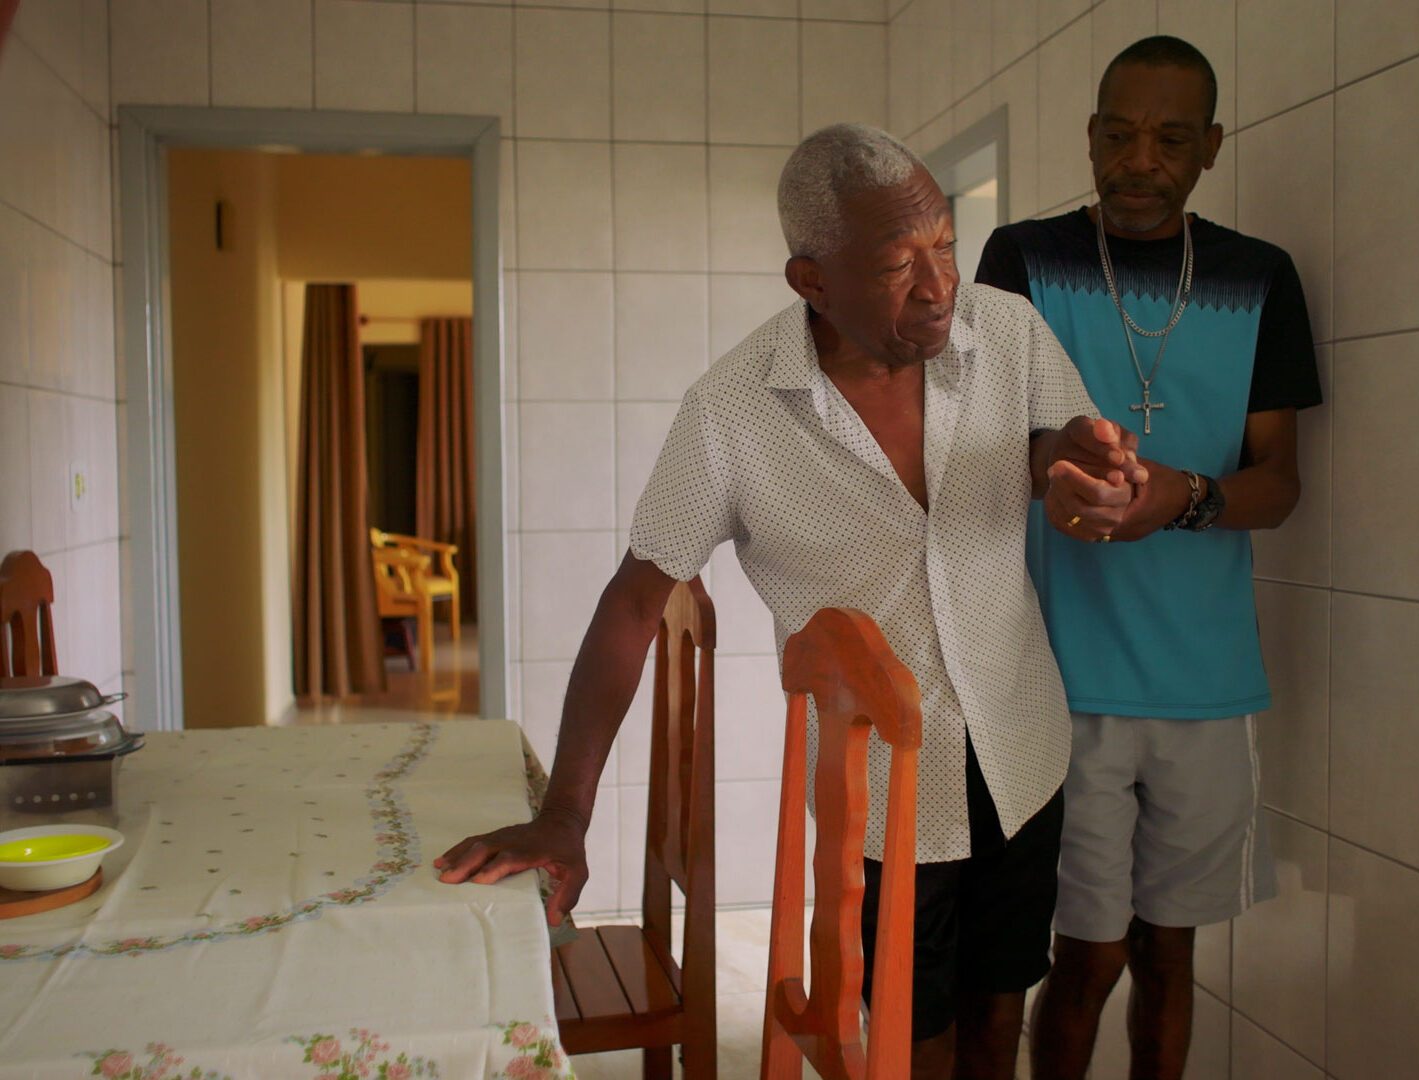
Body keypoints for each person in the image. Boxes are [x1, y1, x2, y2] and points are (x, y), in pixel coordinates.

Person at [437, 122, 1145, 1079]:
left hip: (1023, 752)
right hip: (883, 791)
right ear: (811, 280)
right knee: (905, 1039)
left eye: (944, 243)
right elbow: (635, 602)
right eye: (900, 264)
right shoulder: (732, 412)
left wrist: (1078, 474)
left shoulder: (1005, 331)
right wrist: (567, 812)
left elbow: (1046, 444)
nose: (939, 286)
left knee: (995, 1014)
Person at [975, 35, 1322, 1080]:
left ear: (1209, 147)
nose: (1140, 160)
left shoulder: (1259, 276)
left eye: (1170, 139)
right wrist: (1058, 470)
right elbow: (981, 439)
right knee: (1079, 958)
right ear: (1089, 135)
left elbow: (1278, 481)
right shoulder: (1019, 259)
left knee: (1168, 956)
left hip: (1206, 687)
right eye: (1119, 135)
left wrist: (1185, 496)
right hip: (1058, 683)